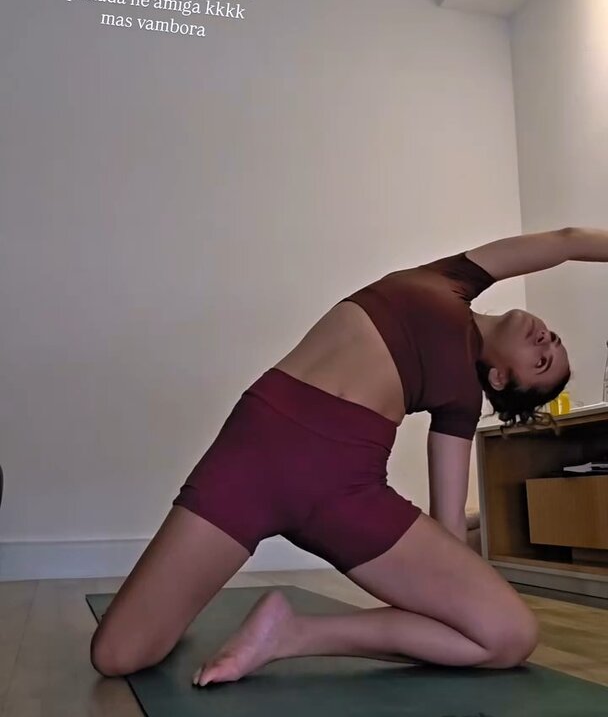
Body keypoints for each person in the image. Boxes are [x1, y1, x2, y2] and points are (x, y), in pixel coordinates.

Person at [91, 226, 606, 686]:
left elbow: (448, 523)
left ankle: (292, 635)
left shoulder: (461, 404)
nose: (547, 342)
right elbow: (566, 242)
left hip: (345, 493)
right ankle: (181, 614)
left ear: (500, 379)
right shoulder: (455, 277)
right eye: (554, 342)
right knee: (118, 654)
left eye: (542, 362)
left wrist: (459, 593)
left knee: (511, 635)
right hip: (254, 456)